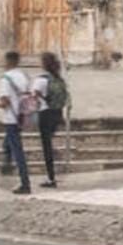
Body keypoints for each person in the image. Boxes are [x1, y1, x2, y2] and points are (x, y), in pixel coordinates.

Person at [0, 51, 32, 195]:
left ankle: (25, 183)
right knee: (8, 142)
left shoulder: (5, 79)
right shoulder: (24, 76)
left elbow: (5, 102)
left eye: (4, 61)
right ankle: (6, 161)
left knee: (18, 150)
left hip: (11, 118)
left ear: (9, 62)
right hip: (23, 116)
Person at [33, 52, 70, 189]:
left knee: (46, 146)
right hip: (57, 114)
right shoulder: (59, 79)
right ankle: (52, 168)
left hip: (45, 114)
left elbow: (34, 99)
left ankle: (51, 178)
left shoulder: (40, 80)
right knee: (49, 143)